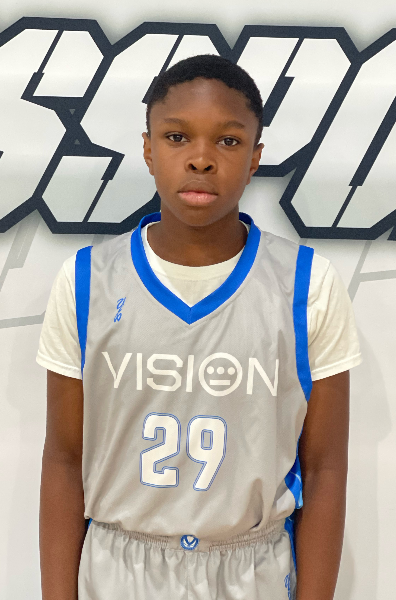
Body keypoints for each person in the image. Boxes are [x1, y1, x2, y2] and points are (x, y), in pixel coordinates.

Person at [37, 54, 362, 600]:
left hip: (251, 570)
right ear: (148, 148)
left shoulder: (307, 285)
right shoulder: (88, 280)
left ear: (255, 157)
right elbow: (65, 460)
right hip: (116, 570)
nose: (201, 159)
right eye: (177, 137)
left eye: (228, 141)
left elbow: (325, 467)